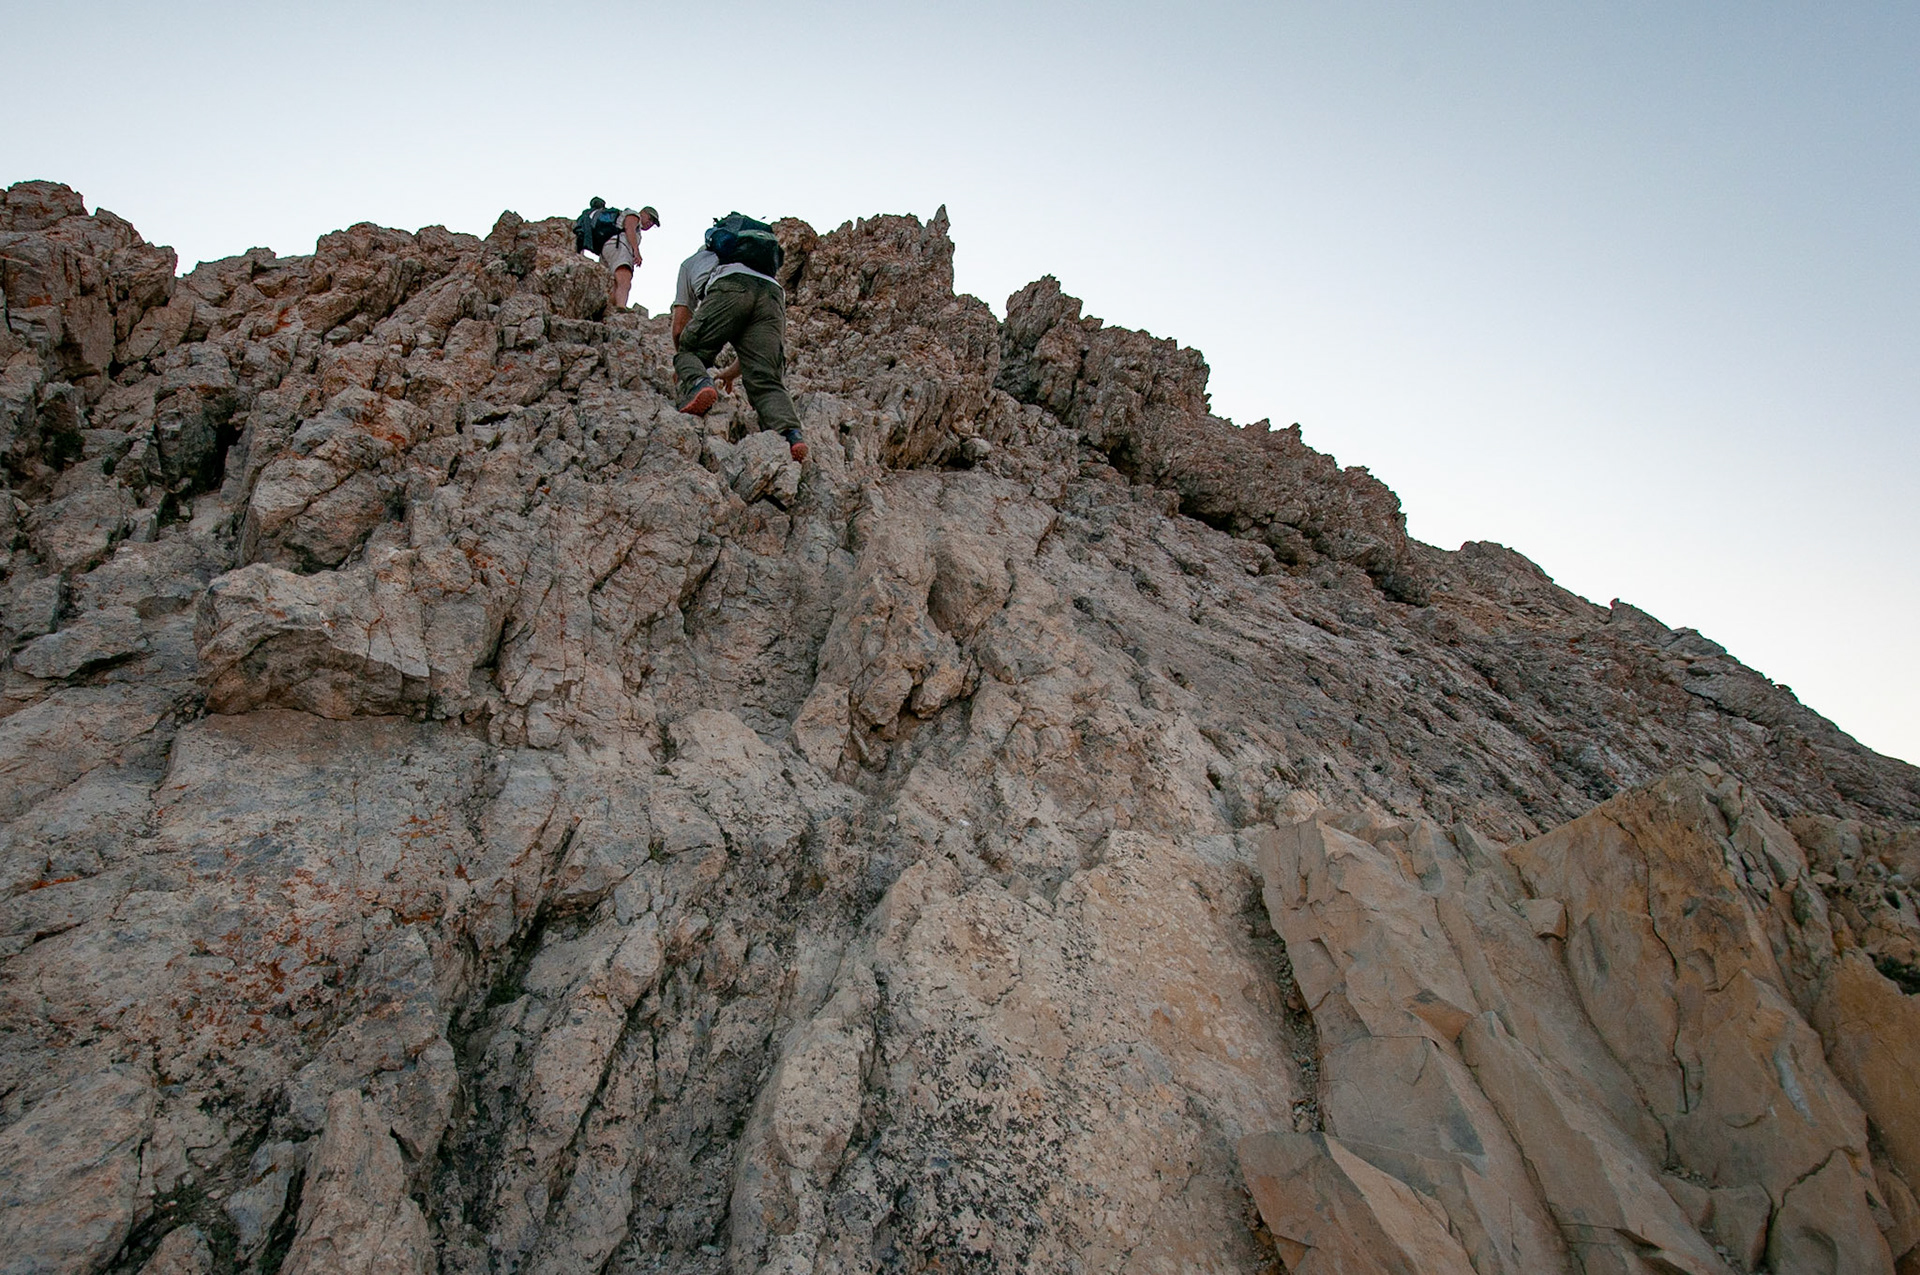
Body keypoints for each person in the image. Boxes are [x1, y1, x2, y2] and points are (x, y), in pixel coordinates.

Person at [672, 237, 806, 462]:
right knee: (767, 379)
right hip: (773, 294)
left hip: (730, 286)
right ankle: (791, 435)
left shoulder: (691, 263)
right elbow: (752, 353)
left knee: (689, 349)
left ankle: (700, 385)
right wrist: (730, 374)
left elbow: (679, 327)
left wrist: (689, 366)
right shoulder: (757, 264)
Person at [583, 199, 659, 310]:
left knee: (613, 282)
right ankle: (621, 307)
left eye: (653, 223)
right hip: (619, 246)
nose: (650, 223)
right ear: (643, 213)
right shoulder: (634, 215)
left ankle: (609, 308)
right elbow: (629, 229)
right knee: (624, 276)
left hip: (608, 249)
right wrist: (636, 251)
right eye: (650, 218)